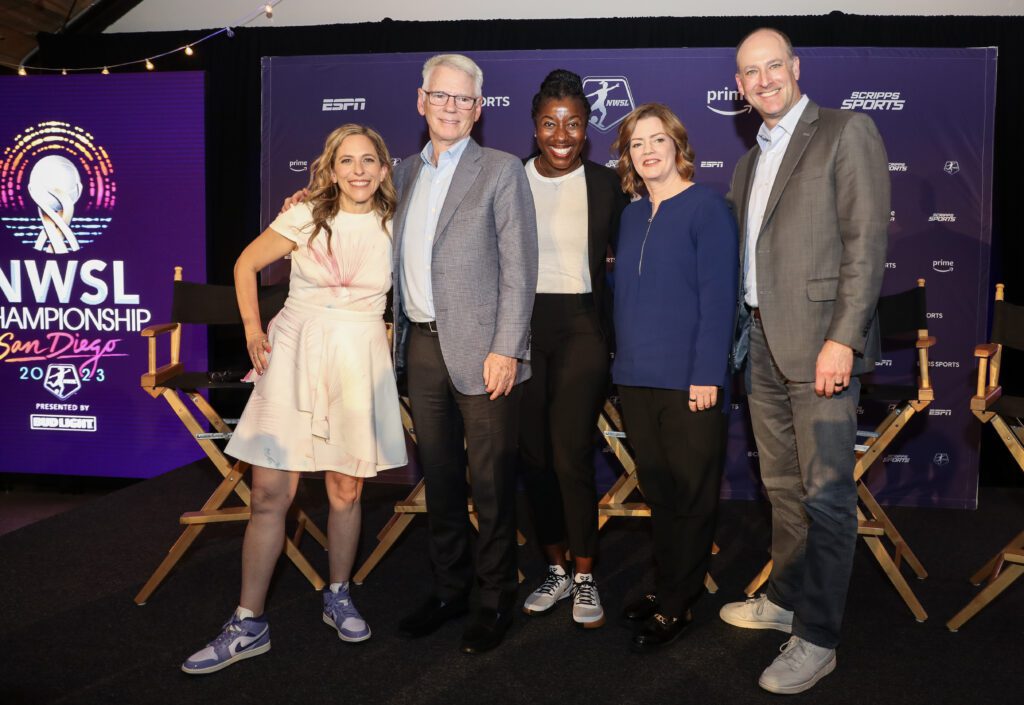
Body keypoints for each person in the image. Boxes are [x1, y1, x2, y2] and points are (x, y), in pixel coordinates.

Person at [181, 124, 407, 675]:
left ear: (384, 168)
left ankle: (338, 594)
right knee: (267, 494)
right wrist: (252, 330)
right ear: (331, 168)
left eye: (368, 160)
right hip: (294, 354)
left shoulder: (399, 222)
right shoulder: (304, 213)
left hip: (357, 358)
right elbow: (245, 264)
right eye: (346, 160)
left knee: (346, 490)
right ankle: (248, 622)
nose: (358, 170)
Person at [719, 28, 890, 694]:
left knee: (825, 496)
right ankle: (787, 596)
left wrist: (843, 338)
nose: (763, 80)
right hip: (760, 342)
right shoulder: (748, 162)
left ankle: (817, 638)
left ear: (795, 67)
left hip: (821, 344)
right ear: (739, 85)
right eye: (750, 72)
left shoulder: (846, 131)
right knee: (783, 489)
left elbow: (865, 242)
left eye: (773, 66)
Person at [391, 54, 538, 654]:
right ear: (421, 100)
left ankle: (495, 596)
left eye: (463, 99)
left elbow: (520, 268)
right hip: (422, 348)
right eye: (440, 96)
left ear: (479, 110)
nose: (450, 107)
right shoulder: (402, 172)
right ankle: (449, 589)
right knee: (442, 478)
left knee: (492, 483)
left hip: (485, 353)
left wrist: (507, 348)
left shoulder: (501, 170)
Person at [610, 103, 738, 651]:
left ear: (677, 144)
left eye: (657, 139)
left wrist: (708, 373)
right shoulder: (631, 214)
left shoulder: (707, 207)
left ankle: (679, 604)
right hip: (635, 377)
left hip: (691, 380)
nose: (647, 151)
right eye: (636, 143)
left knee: (691, 496)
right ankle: (667, 586)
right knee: (660, 494)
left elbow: (719, 299)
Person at [517, 69, 627, 629]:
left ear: (587, 128)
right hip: (522, 328)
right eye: (550, 123)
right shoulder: (510, 180)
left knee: (568, 453)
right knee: (534, 456)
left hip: (583, 325)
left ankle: (585, 573)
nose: (561, 135)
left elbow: (639, 251)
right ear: (535, 127)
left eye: (574, 124)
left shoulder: (607, 185)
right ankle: (556, 567)